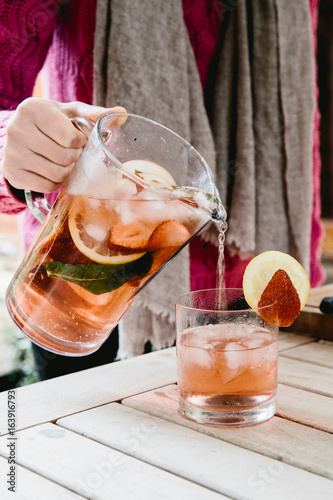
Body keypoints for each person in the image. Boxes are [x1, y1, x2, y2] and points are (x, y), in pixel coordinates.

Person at [0, 0, 324, 379]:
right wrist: (11, 145)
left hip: (252, 296)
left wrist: (306, 273)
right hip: (85, 293)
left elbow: (296, 132)